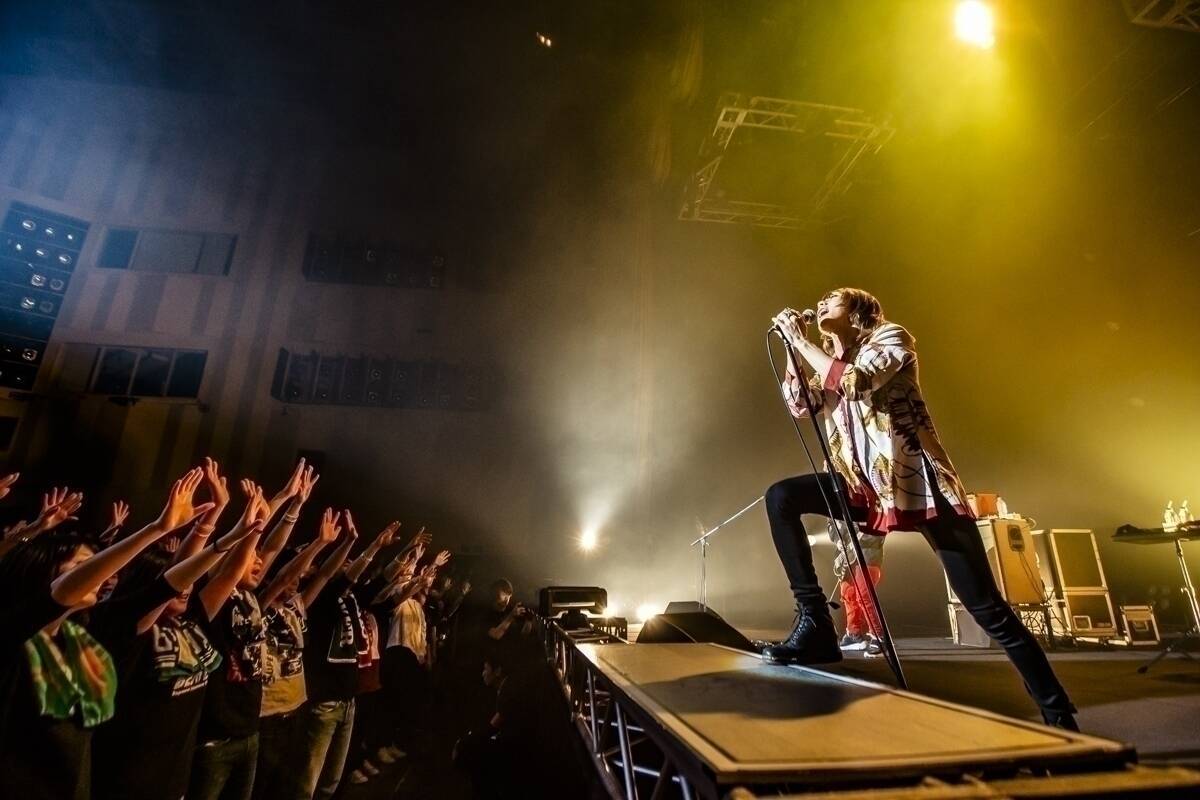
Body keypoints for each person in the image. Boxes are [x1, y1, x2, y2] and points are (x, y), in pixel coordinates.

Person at [763, 288, 1078, 730]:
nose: (820, 304)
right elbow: (802, 405)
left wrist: (801, 342)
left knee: (987, 607)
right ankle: (815, 621)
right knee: (781, 497)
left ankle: (1057, 711)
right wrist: (794, 351)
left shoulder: (892, 339)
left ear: (858, 313)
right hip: (865, 486)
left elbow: (855, 383)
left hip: (920, 485)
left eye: (832, 300)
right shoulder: (827, 361)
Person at [833, 528, 885, 655]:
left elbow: (879, 529)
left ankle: (879, 637)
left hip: (867, 556)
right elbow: (831, 525)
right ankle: (853, 634)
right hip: (847, 557)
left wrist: (856, 540)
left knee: (864, 596)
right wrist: (837, 540)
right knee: (848, 595)